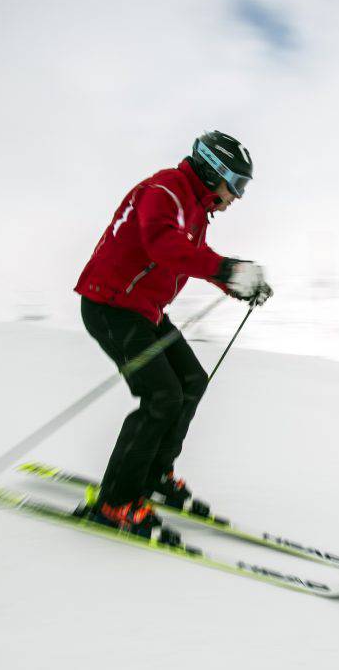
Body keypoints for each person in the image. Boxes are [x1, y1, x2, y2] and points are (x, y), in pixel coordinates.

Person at [73, 130, 272, 537]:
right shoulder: (164, 190)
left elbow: (185, 258)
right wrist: (228, 270)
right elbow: (164, 246)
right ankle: (115, 502)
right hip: (110, 306)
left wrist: (234, 283)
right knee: (161, 396)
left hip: (142, 310)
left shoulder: (195, 208)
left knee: (191, 382)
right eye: (236, 184)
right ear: (212, 169)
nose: (237, 196)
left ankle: (153, 476)